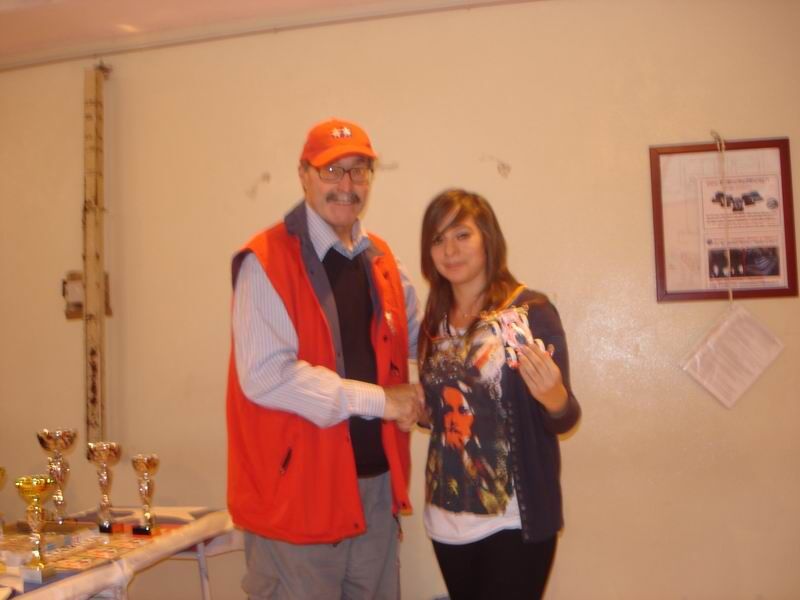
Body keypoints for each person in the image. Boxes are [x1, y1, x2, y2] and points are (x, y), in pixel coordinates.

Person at [226, 118, 423, 599]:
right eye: (332, 170)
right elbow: (266, 376)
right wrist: (383, 401)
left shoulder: (384, 262)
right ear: (304, 175)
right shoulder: (265, 260)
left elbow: (421, 344)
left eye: (359, 171)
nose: (346, 185)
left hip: (375, 495)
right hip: (297, 502)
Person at [417, 188, 581, 600]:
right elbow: (440, 412)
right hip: (445, 516)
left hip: (511, 521)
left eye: (462, 235)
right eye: (438, 239)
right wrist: (417, 407)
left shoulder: (528, 313)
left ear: (487, 238)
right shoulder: (433, 322)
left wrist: (554, 395)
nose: (450, 250)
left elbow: (565, 416)